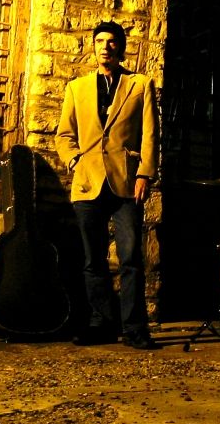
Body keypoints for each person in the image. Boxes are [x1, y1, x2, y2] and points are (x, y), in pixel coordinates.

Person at [55, 20, 159, 350]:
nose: (105, 46)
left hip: (126, 182)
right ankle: (101, 324)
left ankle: (135, 329)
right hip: (88, 183)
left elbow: (150, 134)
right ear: (94, 46)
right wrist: (74, 160)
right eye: (99, 41)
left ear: (120, 47)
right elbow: (64, 135)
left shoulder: (140, 84)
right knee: (92, 259)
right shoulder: (77, 88)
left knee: (130, 258)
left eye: (111, 41)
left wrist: (144, 174)